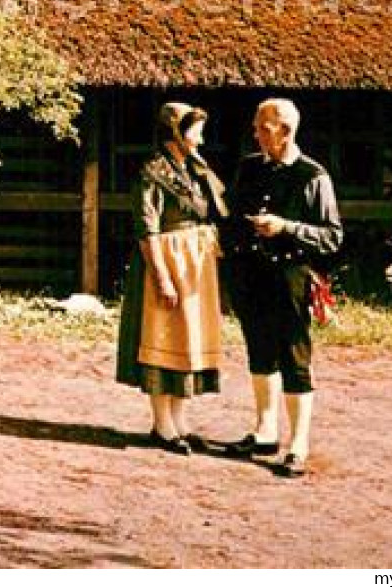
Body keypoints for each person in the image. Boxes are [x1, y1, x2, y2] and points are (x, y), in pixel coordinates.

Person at [222, 98, 343, 478]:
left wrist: (286, 227)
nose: (255, 133)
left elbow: (332, 236)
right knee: (259, 350)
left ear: (286, 132)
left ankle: (298, 444)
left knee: (294, 357)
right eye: (257, 126)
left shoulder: (312, 176)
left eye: (263, 127)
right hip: (251, 275)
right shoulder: (248, 167)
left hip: (291, 277)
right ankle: (265, 431)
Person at [115, 102, 228, 454]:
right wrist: (162, 276)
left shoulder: (195, 170)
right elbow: (146, 230)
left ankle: (179, 421)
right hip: (169, 260)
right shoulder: (152, 172)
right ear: (177, 132)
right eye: (196, 130)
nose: (202, 138)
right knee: (164, 336)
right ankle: (162, 424)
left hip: (195, 263)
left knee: (188, 340)